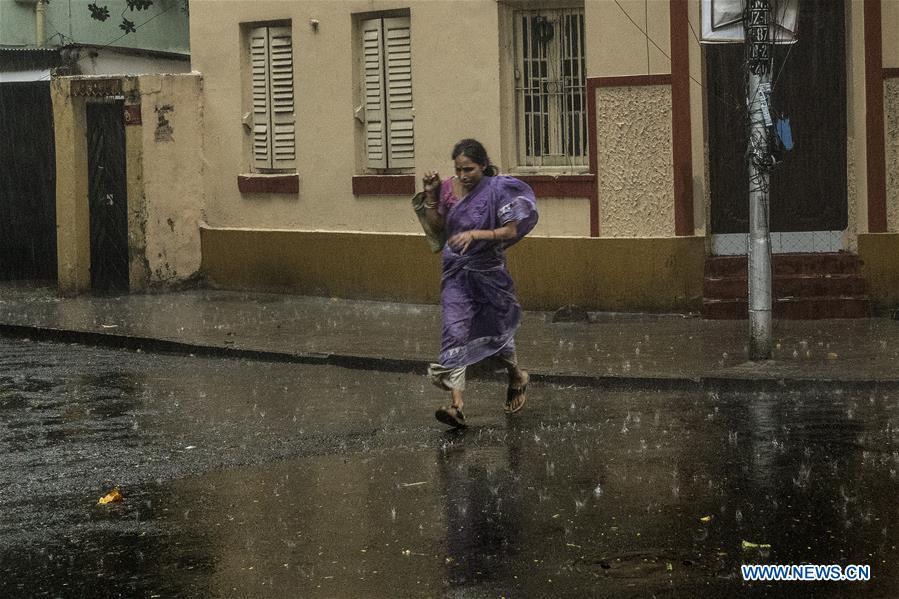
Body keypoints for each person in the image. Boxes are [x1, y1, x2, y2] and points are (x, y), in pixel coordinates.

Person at [420, 139, 538, 428]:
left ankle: (516, 376)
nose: (463, 176)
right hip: (456, 273)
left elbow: (510, 230)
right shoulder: (448, 188)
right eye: (458, 170)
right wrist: (431, 195)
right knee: (455, 330)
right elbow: (437, 227)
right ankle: (457, 406)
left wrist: (475, 235)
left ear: (483, 165)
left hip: (489, 272)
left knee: (496, 331)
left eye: (469, 169)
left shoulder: (497, 190)